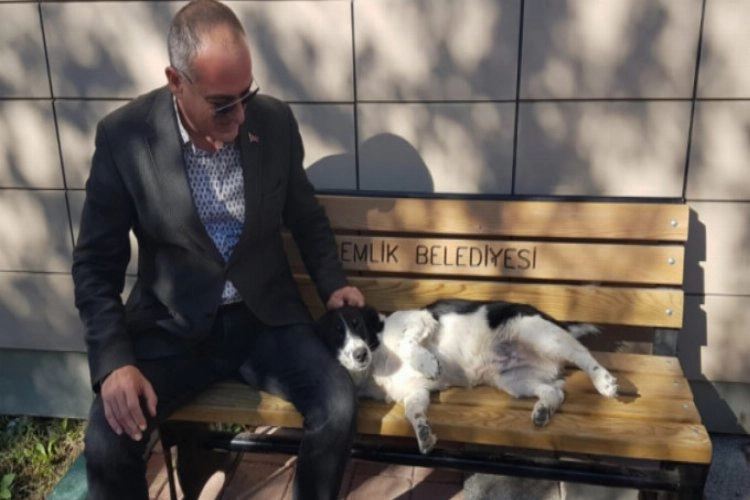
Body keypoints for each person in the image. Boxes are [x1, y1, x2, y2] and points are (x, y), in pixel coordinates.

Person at [71, 1, 365, 498]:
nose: (240, 115)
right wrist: (114, 362)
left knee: (337, 404)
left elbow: (305, 216)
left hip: (266, 320)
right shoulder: (125, 138)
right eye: (222, 104)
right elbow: (95, 265)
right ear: (176, 81)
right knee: (107, 438)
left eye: (246, 94)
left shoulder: (274, 123)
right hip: (173, 329)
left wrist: (333, 285)